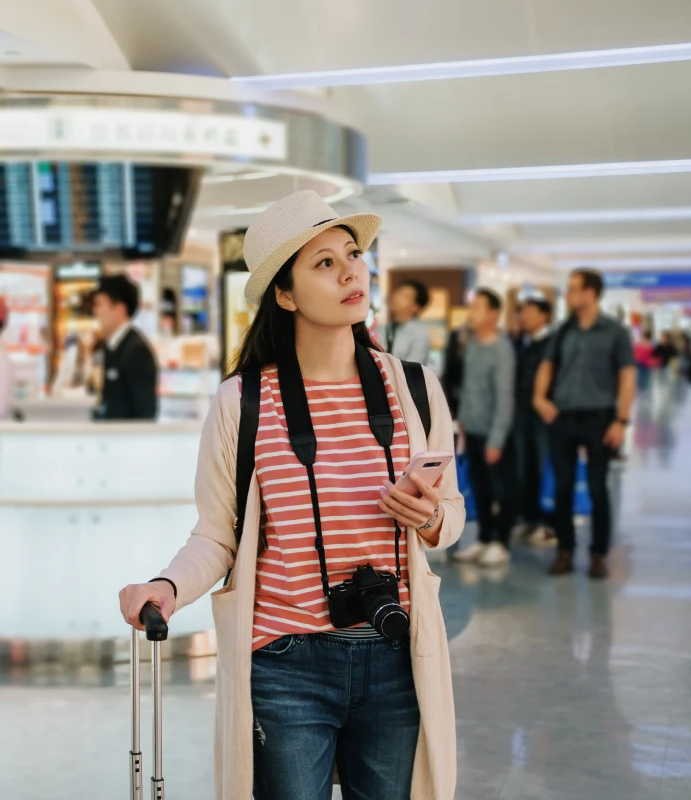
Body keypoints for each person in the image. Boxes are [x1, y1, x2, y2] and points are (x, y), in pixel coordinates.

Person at [118, 190, 464, 800]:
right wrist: (168, 586)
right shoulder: (242, 401)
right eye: (324, 263)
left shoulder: (413, 388)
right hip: (286, 662)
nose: (351, 272)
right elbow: (217, 535)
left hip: (396, 654)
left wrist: (431, 516)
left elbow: (451, 517)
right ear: (285, 294)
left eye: (352, 254)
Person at [533, 269, 637, 580]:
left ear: (591, 293)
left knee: (597, 487)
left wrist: (621, 420)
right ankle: (565, 550)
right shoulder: (563, 331)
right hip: (562, 418)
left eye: (574, 289)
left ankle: (598, 554)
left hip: (599, 418)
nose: (568, 294)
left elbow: (627, 376)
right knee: (562, 486)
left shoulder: (615, 332)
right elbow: (547, 366)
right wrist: (540, 398)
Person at [451, 288, 517, 568]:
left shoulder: (501, 349)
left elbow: (504, 398)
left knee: (501, 490)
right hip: (473, 430)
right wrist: (463, 423)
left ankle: (501, 543)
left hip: (494, 434)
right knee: (481, 489)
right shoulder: (472, 344)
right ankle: (484, 538)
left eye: (478, 307)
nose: (472, 313)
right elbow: (468, 390)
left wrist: (496, 440)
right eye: (472, 306)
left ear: (493, 314)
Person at [513, 297, 556, 547]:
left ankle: (548, 524)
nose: (523, 316)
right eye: (522, 311)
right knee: (524, 469)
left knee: (543, 470)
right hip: (522, 414)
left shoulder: (553, 343)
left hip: (544, 418)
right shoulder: (520, 343)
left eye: (529, 311)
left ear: (544, 316)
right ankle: (528, 519)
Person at [90, 274, 158, 421]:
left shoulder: (137, 351)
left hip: (126, 435)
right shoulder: (109, 346)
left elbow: (145, 414)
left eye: (99, 305)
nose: (95, 312)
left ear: (119, 309)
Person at [381, 279, 431, 364]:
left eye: (405, 296)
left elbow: (412, 368)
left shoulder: (419, 335)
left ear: (416, 308)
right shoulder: (382, 328)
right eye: (397, 293)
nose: (396, 298)